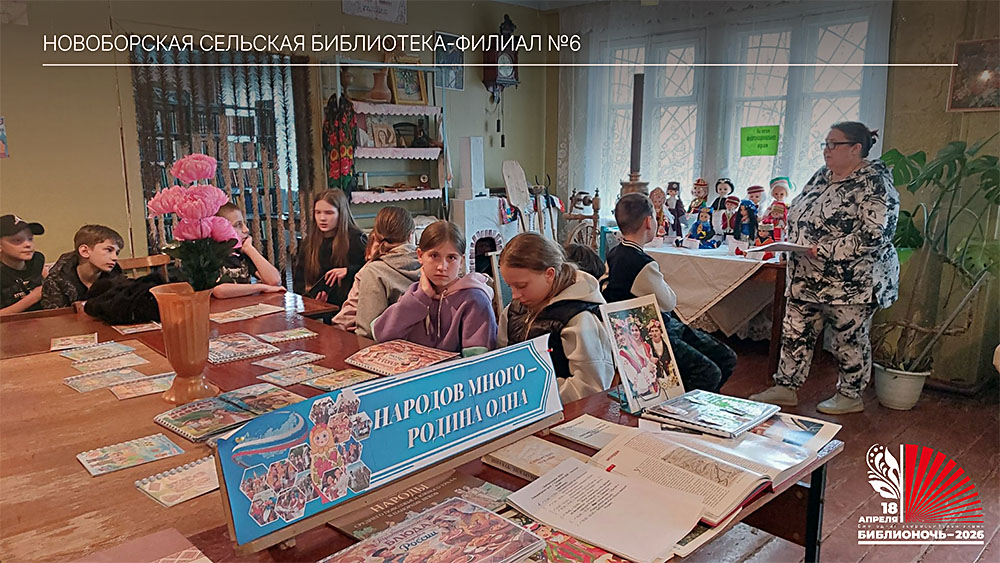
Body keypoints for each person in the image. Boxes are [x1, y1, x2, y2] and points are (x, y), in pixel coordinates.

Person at [751, 122, 899, 415]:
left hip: (851, 282)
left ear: (856, 149)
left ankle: (850, 395)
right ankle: (786, 386)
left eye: (834, 144)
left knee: (848, 339)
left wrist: (826, 249)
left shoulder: (875, 183)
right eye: (825, 144)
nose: (827, 150)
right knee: (795, 332)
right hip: (806, 276)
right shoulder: (822, 176)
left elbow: (876, 234)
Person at [603, 193, 737, 393]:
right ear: (649, 222)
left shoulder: (615, 252)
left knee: (725, 357)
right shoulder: (640, 263)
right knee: (709, 372)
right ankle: (680, 404)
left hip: (652, 325)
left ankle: (698, 399)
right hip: (645, 333)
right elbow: (669, 302)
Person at [498, 232, 615, 403]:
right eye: (510, 286)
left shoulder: (580, 318)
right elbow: (501, 359)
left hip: (566, 412)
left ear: (549, 274)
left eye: (521, 285)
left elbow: (590, 387)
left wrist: (533, 391)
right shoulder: (512, 311)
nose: (515, 295)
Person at [372, 220, 497, 355]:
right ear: (420, 256)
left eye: (451, 258)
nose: (442, 267)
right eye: (434, 256)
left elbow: (477, 359)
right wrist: (422, 297)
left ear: (461, 261)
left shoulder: (475, 300)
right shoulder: (415, 293)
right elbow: (381, 335)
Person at [332, 206, 420, 338]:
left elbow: (365, 329)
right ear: (411, 236)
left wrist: (339, 328)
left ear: (376, 236)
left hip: (382, 344)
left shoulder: (373, 271)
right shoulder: (430, 264)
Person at [293, 189, 367, 308]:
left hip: (350, 306)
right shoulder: (309, 242)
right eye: (318, 212)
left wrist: (348, 271)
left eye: (329, 213)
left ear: (340, 214)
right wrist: (310, 299)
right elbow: (299, 281)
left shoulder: (356, 239)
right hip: (317, 307)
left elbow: (371, 270)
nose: (322, 218)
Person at [212, 203, 285, 299]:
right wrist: (261, 287)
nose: (246, 230)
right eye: (238, 225)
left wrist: (250, 249)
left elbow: (274, 280)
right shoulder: (211, 256)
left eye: (244, 223)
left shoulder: (241, 253)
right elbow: (219, 291)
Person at [41, 224, 124, 309]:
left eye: (117, 253)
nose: (115, 258)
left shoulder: (117, 278)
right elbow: (55, 314)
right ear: (84, 251)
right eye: (109, 250)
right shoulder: (57, 280)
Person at [0, 214, 47, 315]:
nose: (28, 244)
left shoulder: (37, 260)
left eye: (30, 239)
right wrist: (33, 297)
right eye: (17, 240)